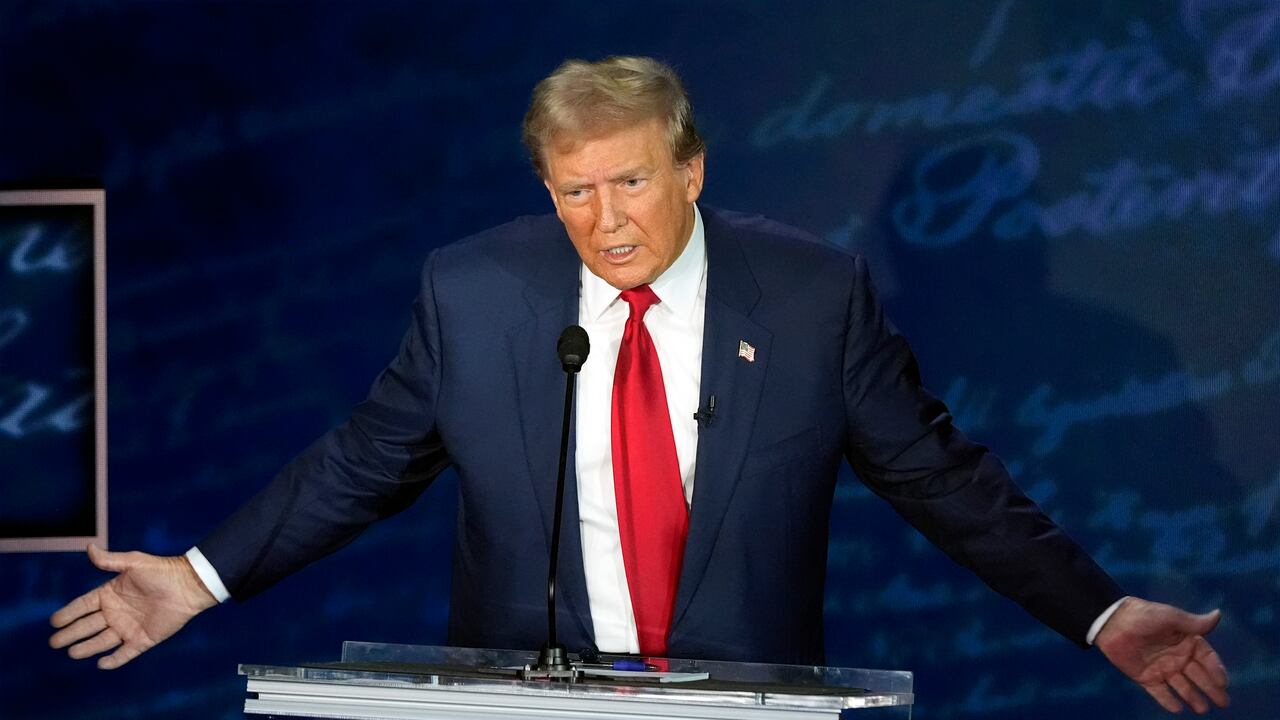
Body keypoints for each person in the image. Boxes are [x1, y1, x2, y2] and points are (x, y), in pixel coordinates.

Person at [51, 56, 1229, 714]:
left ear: (690, 168)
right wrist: (200, 580)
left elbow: (939, 478)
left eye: (626, 184)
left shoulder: (812, 297)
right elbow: (365, 460)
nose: (601, 223)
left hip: (740, 707)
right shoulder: (474, 290)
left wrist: (1100, 612)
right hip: (521, 705)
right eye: (571, 191)